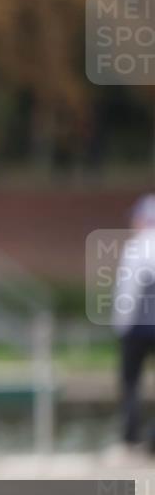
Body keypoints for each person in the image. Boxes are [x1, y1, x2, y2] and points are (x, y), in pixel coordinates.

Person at [113, 193, 155, 456]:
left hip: (138, 328)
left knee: (130, 383)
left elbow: (127, 291)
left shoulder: (138, 247)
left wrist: (121, 325)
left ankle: (131, 438)